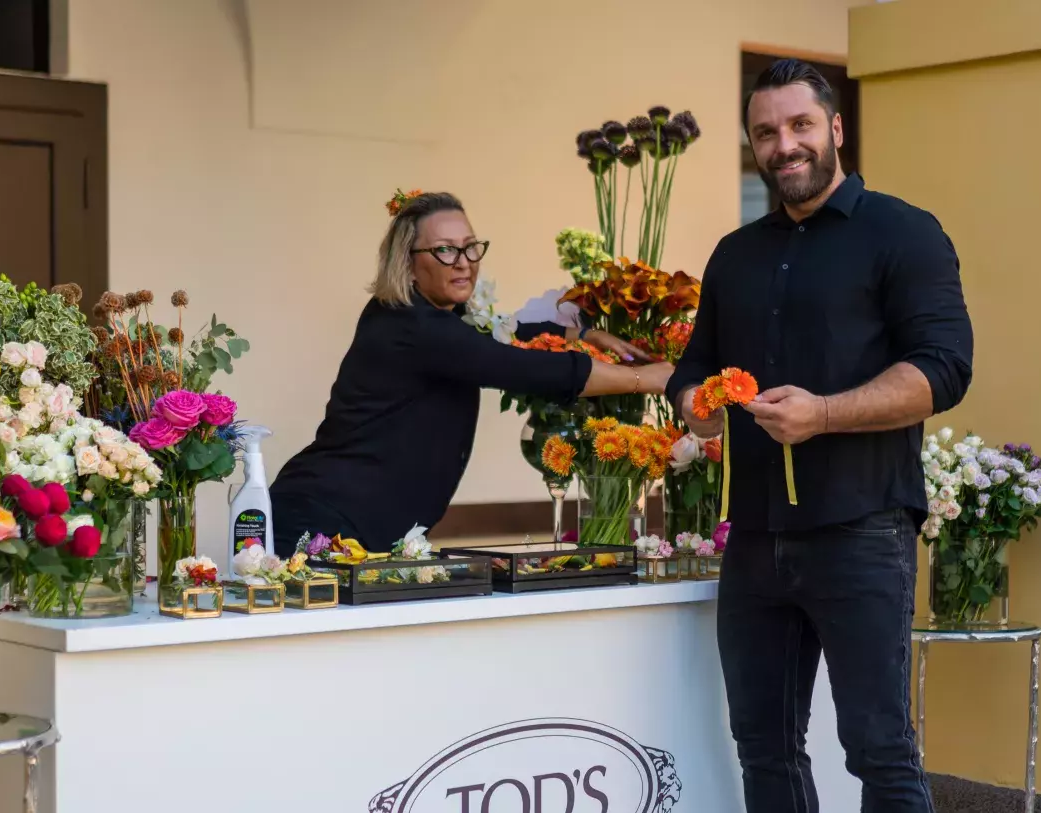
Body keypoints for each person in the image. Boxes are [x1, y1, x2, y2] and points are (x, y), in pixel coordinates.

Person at [669, 59, 972, 812]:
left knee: (878, 749)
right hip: (754, 536)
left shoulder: (904, 232)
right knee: (763, 747)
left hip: (861, 527)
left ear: (835, 128)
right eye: (765, 132)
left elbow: (944, 369)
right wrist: (693, 405)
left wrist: (825, 413)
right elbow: (693, 369)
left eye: (800, 124)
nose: (785, 144)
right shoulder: (734, 254)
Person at [272, 191, 672, 554]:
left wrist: (582, 334)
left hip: (356, 526)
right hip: (319, 524)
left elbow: (497, 335)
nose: (464, 262)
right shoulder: (414, 326)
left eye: (470, 247)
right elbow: (515, 366)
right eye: (445, 250)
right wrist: (647, 380)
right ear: (408, 263)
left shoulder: (429, 316)